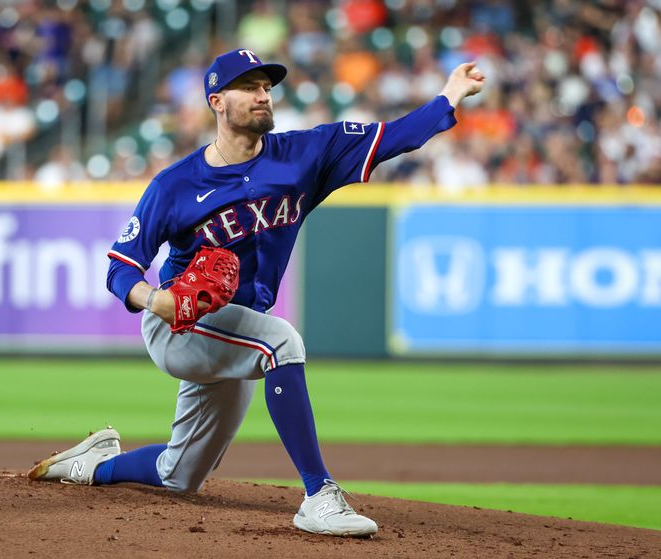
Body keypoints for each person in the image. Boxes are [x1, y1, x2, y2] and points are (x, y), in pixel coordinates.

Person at [29, 48, 484, 537]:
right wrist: (156, 300)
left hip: (235, 325)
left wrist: (448, 96)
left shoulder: (305, 155)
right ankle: (318, 495)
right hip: (179, 325)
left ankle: (94, 463)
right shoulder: (176, 185)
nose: (263, 95)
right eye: (249, 87)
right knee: (280, 342)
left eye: (267, 86)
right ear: (217, 101)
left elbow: (395, 137)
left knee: (179, 474)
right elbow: (120, 269)